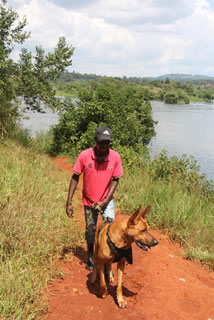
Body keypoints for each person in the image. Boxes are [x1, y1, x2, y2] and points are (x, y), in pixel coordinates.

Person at [66, 126, 123, 270]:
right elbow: (75, 177)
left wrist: (105, 201)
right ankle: (91, 257)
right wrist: (69, 202)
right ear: (95, 140)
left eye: (107, 143)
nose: (104, 146)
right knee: (90, 230)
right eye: (101, 142)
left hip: (107, 201)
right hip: (89, 202)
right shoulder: (85, 155)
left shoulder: (115, 157)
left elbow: (116, 179)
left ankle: (106, 261)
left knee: (109, 230)